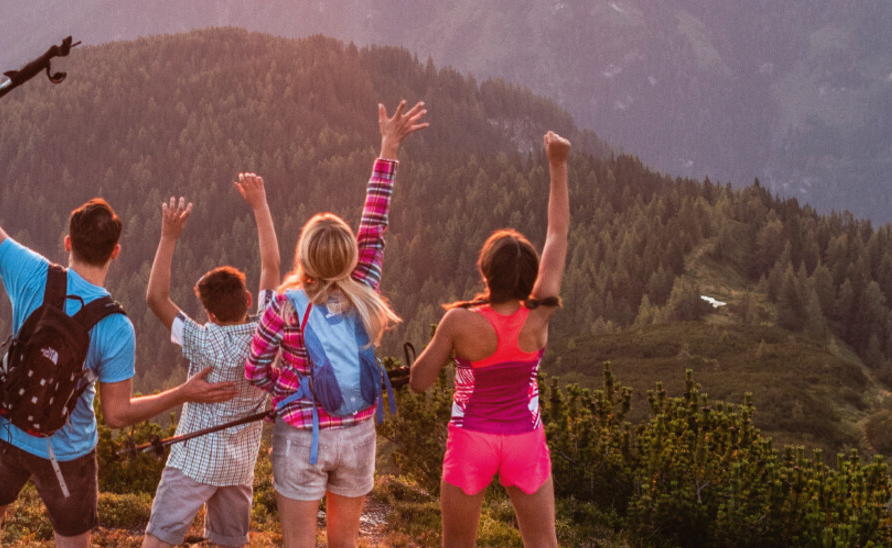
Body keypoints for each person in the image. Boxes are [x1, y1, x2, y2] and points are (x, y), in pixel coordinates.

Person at [0, 104, 242, 548]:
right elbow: (118, 415)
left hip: (6, 425)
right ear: (116, 252)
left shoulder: (30, 272)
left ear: (68, 243)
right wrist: (181, 393)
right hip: (67, 451)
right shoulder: (116, 326)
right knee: (72, 538)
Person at [247, 100, 427, 548]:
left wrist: (286, 392)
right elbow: (374, 222)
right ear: (350, 256)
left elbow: (254, 369)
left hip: (302, 437)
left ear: (304, 255)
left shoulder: (285, 305)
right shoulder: (364, 288)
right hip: (358, 432)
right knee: (344, 543)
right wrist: (388, 149)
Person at [407, 131, 571, 548]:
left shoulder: (459, 321)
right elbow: (557, 235)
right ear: (531, 277)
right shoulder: (540, 314)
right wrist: (557, 164)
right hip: (525, 439)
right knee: (543, 543)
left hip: (470, 439)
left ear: (485, 271)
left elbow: (419, 381)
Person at [140, 173, 281, 548]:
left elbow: (156, 298)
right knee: (231, 543)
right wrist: (259, 204)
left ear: (210, 314)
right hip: (238, 467)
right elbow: (271, 266)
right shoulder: (267, 336)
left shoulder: (204, 340)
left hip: (193, 462)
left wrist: (169, 237)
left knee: (159, 538)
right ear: (249, 300)